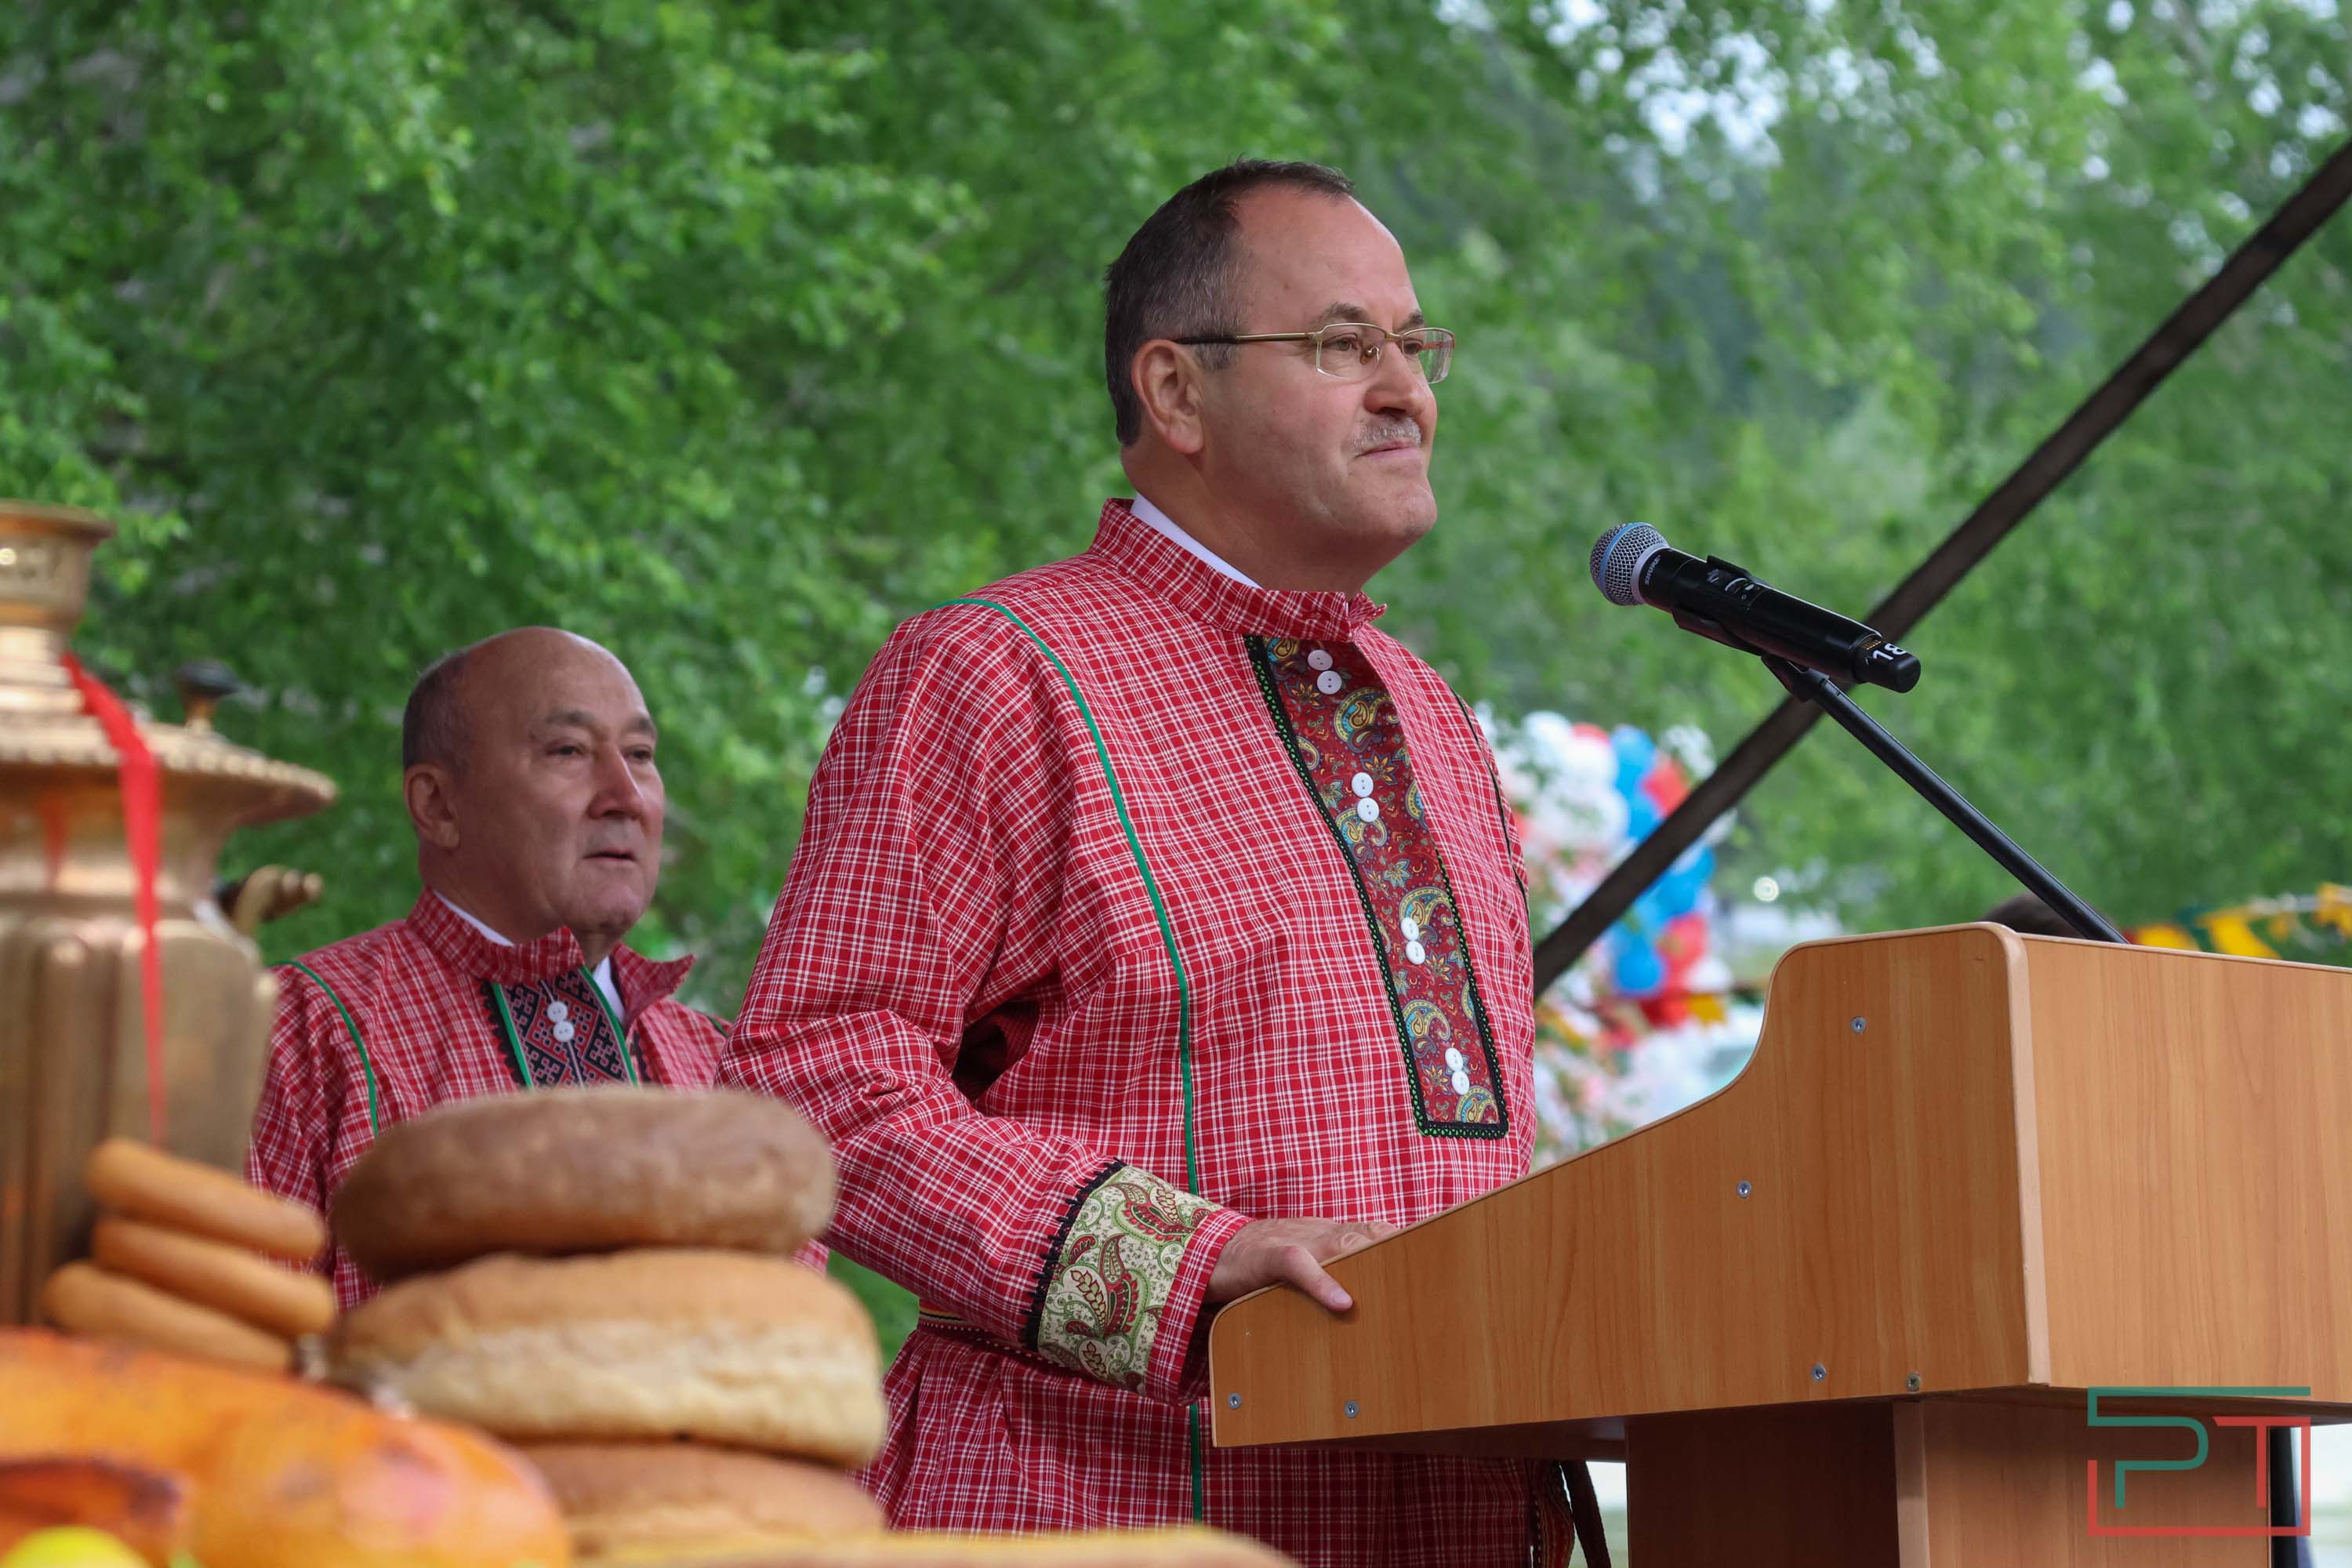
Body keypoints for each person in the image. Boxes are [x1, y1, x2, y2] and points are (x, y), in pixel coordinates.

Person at [723, 161, 1559, 1563]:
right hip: (1094, 1511)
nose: (1409, 390)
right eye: (1347, 344)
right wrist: (1191, 1260)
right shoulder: (992, 673)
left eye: (1417, 349)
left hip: (1447, 1514)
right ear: (1175, 394)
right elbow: (813, 1084)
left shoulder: (1426, 713)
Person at [246, 626, 728, 1305]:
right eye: (568, 750)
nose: (627, 795)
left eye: (641, 755)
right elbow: (231, 1368)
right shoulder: (300, 1029)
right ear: (438, 806)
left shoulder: (727, 1065)